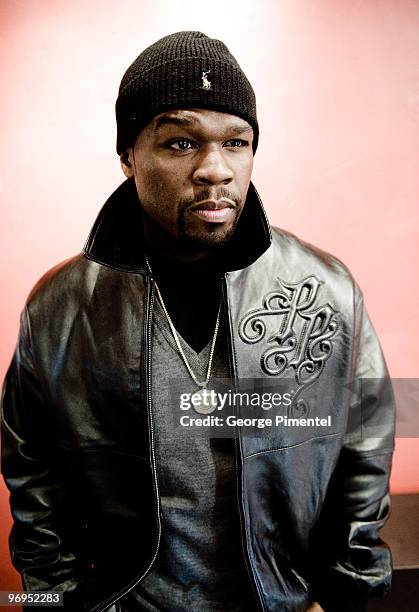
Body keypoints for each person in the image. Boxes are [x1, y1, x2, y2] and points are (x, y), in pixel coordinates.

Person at [1, 31, 395, 612]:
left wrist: (345, 597)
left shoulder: (328, 290)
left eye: (236, 142)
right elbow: (32, 474)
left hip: (281, 602)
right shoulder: (60, 307)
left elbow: (365, 448)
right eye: (181, 143)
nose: (216, 170)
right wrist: (54, 601)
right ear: (129, 155)